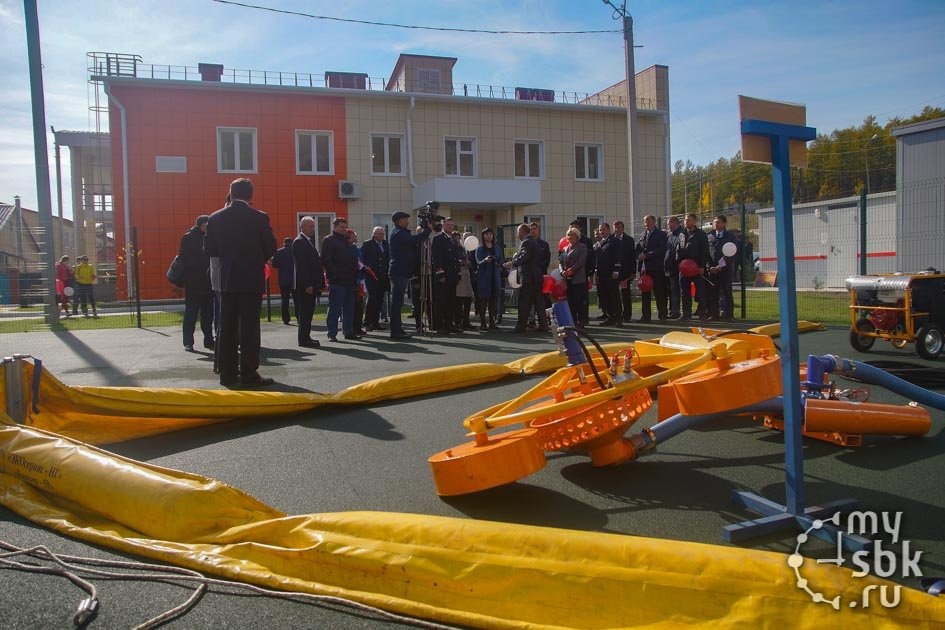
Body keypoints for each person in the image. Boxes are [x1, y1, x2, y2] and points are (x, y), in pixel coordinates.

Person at [204, 178, 277, 387]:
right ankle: (249, 372)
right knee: (249, 328)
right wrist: (256, 257)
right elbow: (271, 247)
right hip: (251, 279)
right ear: (250, 195)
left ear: (231, 192)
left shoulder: (216, 218)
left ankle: (227, 373)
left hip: (227, 279)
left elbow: (209, 250)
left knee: (227, 327)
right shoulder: (259, 218)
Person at [388, 211, 431, 339]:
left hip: (402, 271)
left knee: (398, 303)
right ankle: (395, 331)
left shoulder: (399, 233)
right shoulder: (398, 233)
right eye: (406, 219)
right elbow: (414, 240)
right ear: (399, 221)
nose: (407, 222)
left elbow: (413, 243)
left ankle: (397, 330)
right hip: (399, 271)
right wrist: (428, 230)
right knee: (397, 303)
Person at [321, 217, 360, 341]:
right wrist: (334, 275)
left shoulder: (346, 241)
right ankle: (332, 333)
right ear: (334, 227)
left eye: (345, 227)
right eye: (341, 227)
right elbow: (326, 259)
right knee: (334, 308)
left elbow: (353, 260)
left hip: (350, 280)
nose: (344, 229)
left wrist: (355, 277)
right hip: (337, 281)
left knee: (349, 308)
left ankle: (348, 332)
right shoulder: (329, 240)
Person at [179, 215, 214, 352]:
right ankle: (188, 342)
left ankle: (209, 340)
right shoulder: (189, 237)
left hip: (207, 282)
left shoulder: (209, 237)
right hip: (194, 282)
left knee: (208, 315)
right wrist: (198, 268)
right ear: (202, 224)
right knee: (191, 314)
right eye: (208, 225)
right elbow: (184, 258)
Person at [504, 223, 548, 333]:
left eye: (518, 232)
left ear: (522, 231)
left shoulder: (527, 242)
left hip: (529, 278)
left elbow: (525, 256)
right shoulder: (533, 242)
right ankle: (543, 325)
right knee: (539, 303)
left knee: (524, 302)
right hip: (536, 278)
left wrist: (513, 263)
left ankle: (521, 326)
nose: (517, 234)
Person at [292, 217, 323, 348]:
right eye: (310, 226)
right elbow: (302, 266)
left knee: (308, 312)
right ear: (302, 227)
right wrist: (308, 284)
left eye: (313, 226)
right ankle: (304, 339)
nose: (313, 229)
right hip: (306, 284)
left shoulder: (307, 241)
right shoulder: (299, 242)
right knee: (305, 312)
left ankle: (306, 337)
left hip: (311, 283)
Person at [430, 217, 461, 334]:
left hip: (452, 275)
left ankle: (449, 323)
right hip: (444, 276)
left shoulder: (452, 239)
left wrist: (458, 274)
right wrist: (440, 273)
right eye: (448, 225)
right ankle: (438, 324)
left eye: (452, 225)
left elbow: (455, 258)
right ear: (443, 226)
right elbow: (437, 258)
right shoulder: (438, 239)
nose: (451, 227)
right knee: (441, 301)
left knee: (451, 301)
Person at [677, 212, 709, 321]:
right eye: (685, 220)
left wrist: (701, 266)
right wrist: (679, 263)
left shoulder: (701, 235)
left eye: (689, 220)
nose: (686, 222)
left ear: (695, 221)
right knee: (685, 292)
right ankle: (686, 314)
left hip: (696, 268)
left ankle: (702, 314)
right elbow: (678, 249)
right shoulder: (681, 234)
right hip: (684, 269)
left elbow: (705, 251)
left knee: (701, 292)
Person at [636, 214, 668, 322]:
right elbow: (638, 249)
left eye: (649, 221)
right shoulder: (642, 235)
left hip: (656, 268)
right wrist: (639, 255)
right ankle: (646, 315)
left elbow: (661, 249)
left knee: (659, 292)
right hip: (644, 269)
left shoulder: (661, 235)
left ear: (654, 222)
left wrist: (647, 255)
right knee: (645, 293)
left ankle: (662, 315)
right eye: (645, 222)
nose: (647, 224)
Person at [707, 214, 736, 322]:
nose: (715, 224)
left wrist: (720, 266)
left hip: (725, 270)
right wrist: (710, 267)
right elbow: (706, 253)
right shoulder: (709, 236)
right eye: (714, 222)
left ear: (724, 224)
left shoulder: (730, 237)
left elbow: (732, 254)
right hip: (712, 270)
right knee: (713, 293)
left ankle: (729, 315)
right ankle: (714, 315)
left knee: (727, 292)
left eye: (718, 222)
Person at [594, 222, 623, 326]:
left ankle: (619, 318)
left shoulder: (615, 241)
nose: (601, 232)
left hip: (611, 273)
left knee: (614, 296)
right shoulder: (599, 243)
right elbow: (596, 259)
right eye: (600, 230)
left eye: (603, 229)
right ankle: (610, 317)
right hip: (601, 274)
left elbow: (618, 257)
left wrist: (616, 270)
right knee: (605, 296)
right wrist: (596, 272)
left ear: (609, 230)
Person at [362, 226, 390, 332]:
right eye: (379, 234)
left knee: (379, 300)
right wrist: (367, 268)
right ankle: (367, 322)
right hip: (372, 276)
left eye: (382, 234)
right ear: (374, 234)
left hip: (383, 276)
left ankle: (375, 322)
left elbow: (387, 258)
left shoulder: (385, 244)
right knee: (372, 299)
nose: (381, 236)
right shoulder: (367, 244)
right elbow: (362, 259)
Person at [474, 227, 503, 330]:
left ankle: (492, 322)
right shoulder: (480, 248)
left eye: (490, 234)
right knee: (483, 301)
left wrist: (497, 262)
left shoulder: (497, 247)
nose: (489, 236)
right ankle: (483, 323)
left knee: (493, 301)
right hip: (484, 278)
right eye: (486, 234)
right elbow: (478, 262)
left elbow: (501, 261)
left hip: (494, 277)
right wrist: (486, 260)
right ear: (483, 236)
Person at [560, 227, 588, 328]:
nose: (570, 236)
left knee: (579, 302)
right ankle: (573, 322)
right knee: (570, 302)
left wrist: (571, 270)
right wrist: (562, 271)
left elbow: (581, 261)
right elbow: (561, 262)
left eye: (572, 234)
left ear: (577, 236)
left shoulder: (582, 247)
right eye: (568, 235)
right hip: (568, 280)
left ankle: (581, 321)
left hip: (578, 279)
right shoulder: (565, 248)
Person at [569, 219, 595, 325]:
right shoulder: (567, 241)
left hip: (582, 274)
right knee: (572, 299)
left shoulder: (586, 241)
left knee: (582, 298)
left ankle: (583, 318)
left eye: (574, 227)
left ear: (580, 228)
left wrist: (590, 272)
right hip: (569, 276)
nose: (572, 229)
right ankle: (573, 319)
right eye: (571, 227)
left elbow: (590, 258)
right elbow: (561, 256)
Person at [613, 220, 636, 322]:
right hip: (614, 272)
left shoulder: (629, 240)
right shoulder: (611, 239)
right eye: (615, 227)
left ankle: (627, 315)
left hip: (625, 272)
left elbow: (632, 257)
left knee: (625, 294)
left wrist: (633, 272)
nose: (617, 229)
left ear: (622, 228)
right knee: (614, 294)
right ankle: (616, 314)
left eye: (618, 227)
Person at [271, 237, 296, 325]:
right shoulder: (295, 251)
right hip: (295, 279)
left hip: (283, 279)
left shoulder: (278, 252)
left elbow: (274, 265)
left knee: (284, 299)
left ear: (284, 243)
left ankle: (286, 319)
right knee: (297, 299)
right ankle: (299, 317)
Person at [453, 231, 474, 329]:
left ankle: (466, 321)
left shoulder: (463, 248)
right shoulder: (451, 249)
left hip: (466, 275)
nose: (457, 240)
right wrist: (459, 262)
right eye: (455, 238)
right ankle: (457, 321)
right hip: (458, 275)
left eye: (458, 238)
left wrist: (467, 262)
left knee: (467, 300)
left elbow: (467, 260)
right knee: (458, 301)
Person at [664, 216, 684, 319]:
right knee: (671, 290)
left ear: (675, 223)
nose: (668, 226)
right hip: (669, 266)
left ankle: (676, 311)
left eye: (669, 224)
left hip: (678, 266)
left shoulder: (682, 234)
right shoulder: (669, 235)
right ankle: (672, 310)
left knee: (676, 289)